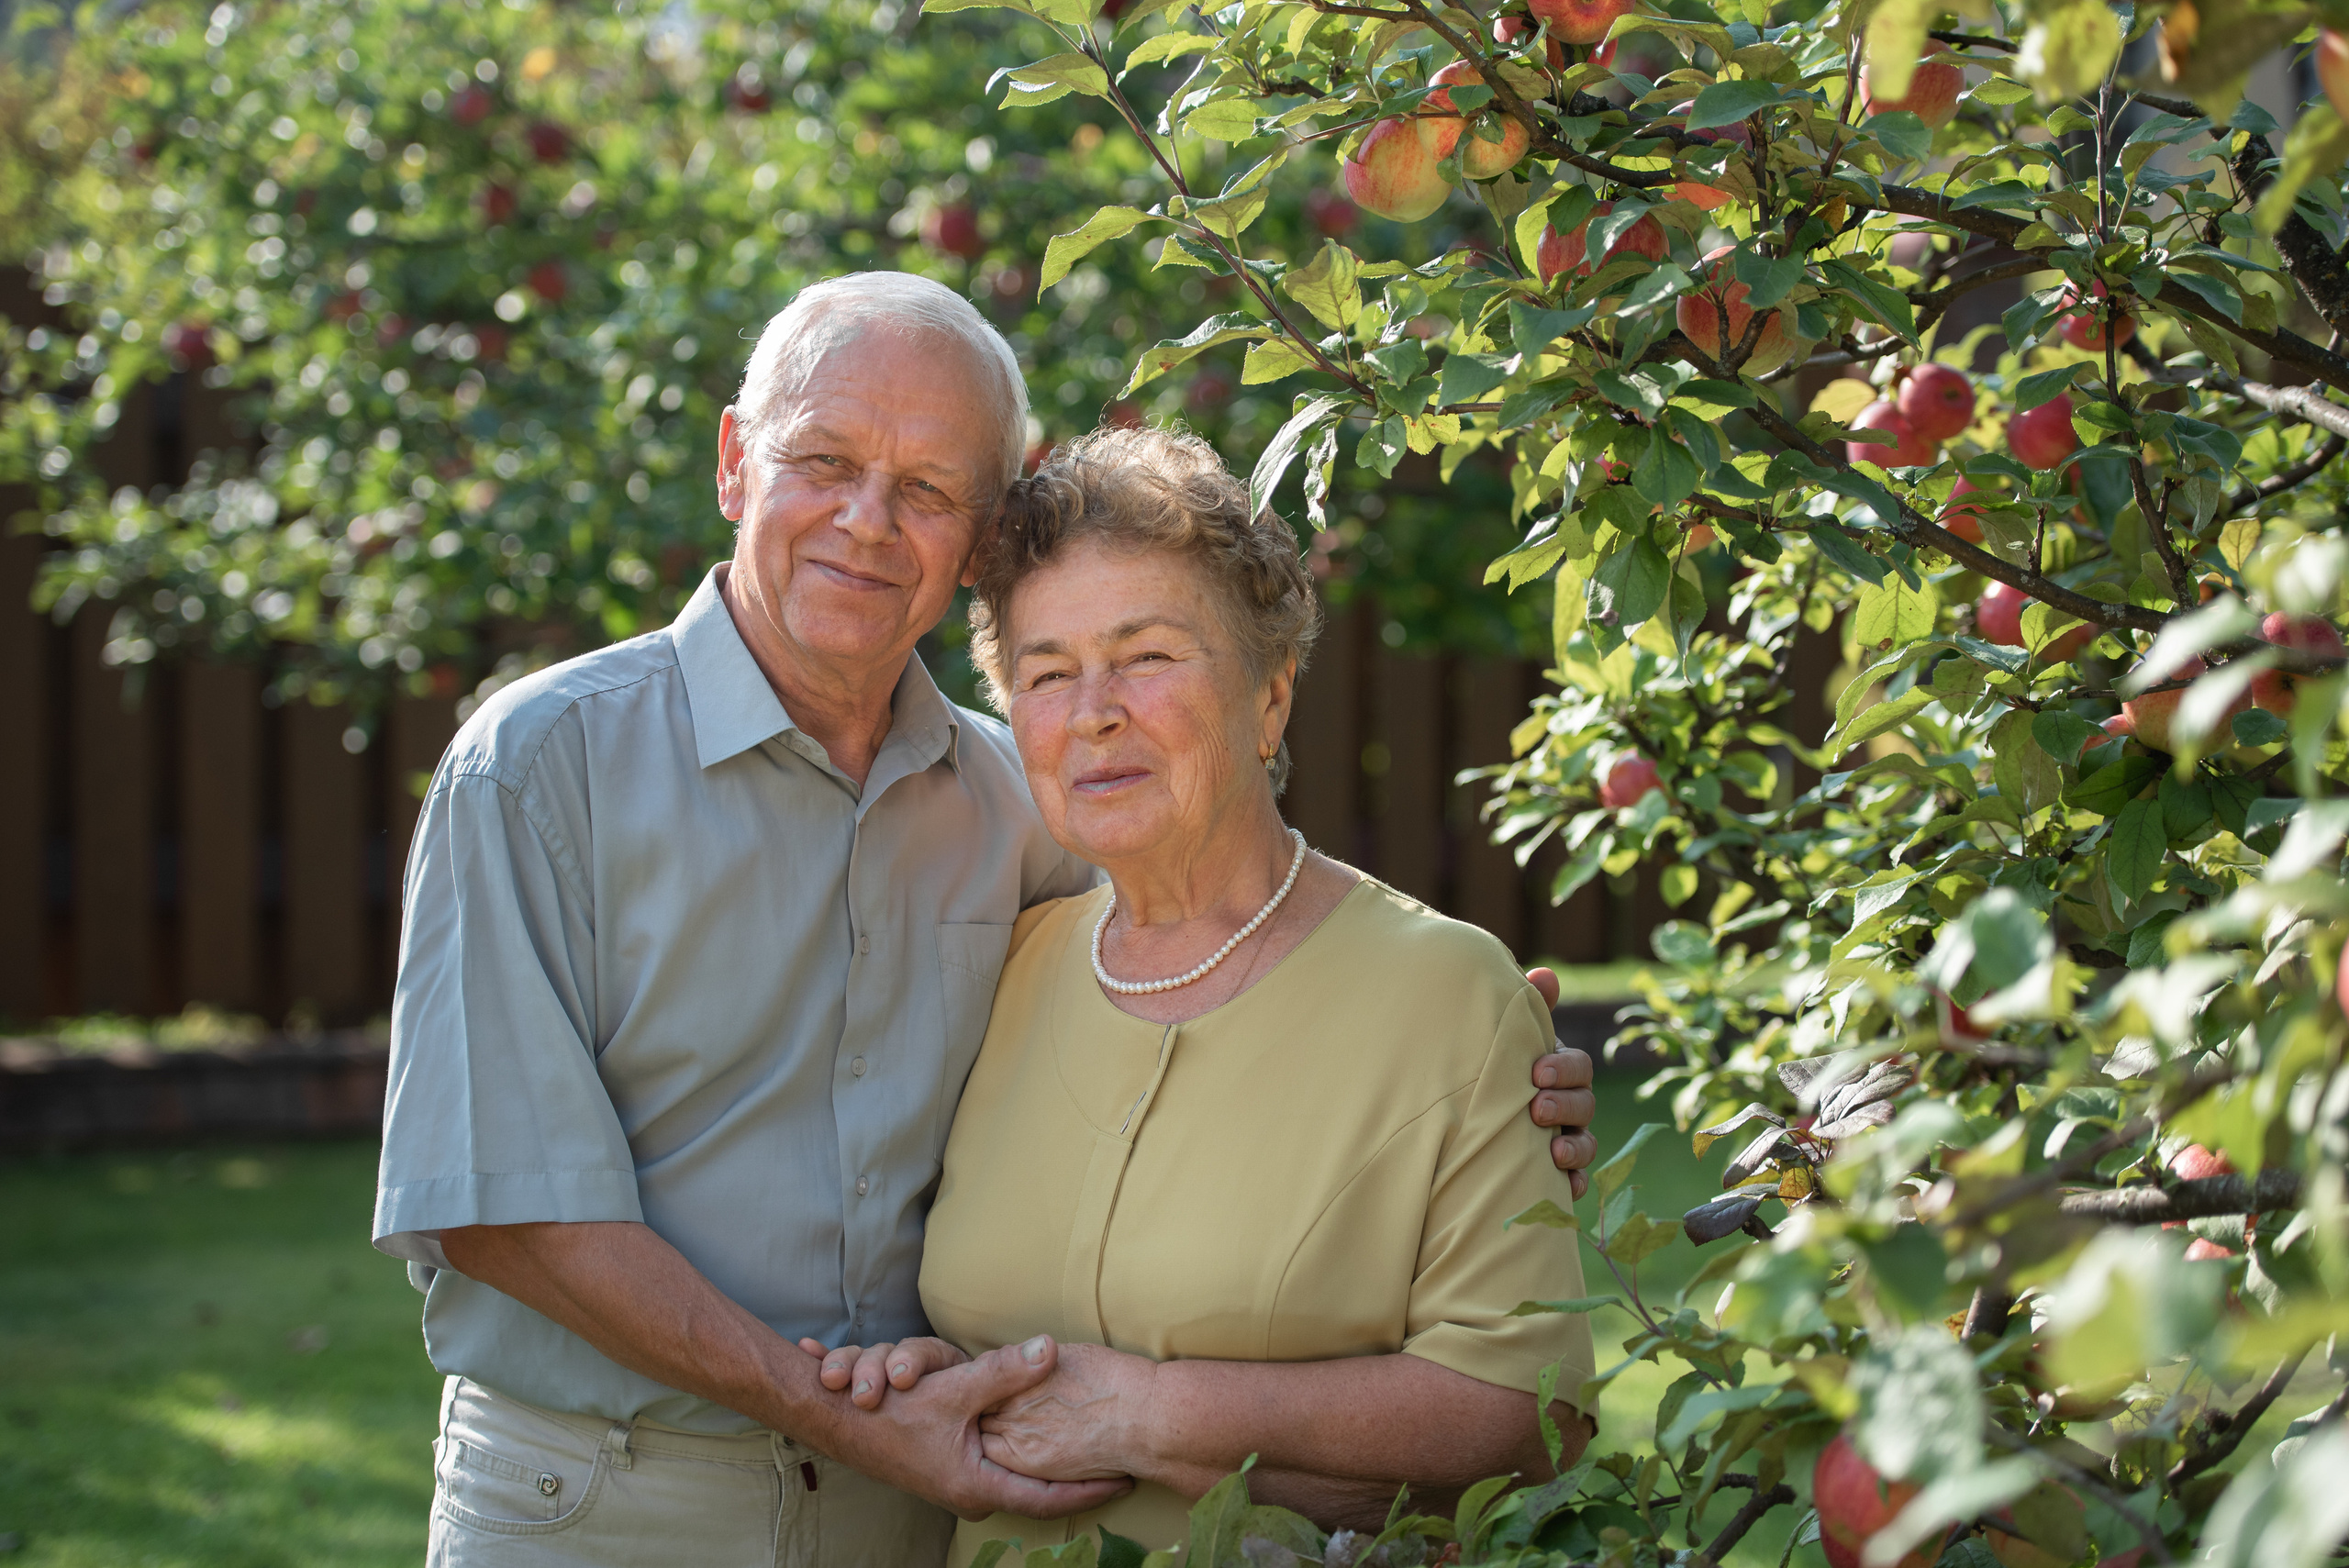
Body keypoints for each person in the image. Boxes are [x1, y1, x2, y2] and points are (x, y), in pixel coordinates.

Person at [373, 272, 1601, 1568]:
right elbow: (499, 1208)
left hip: (928, 1514)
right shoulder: (539, 765)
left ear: (976, 532)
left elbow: (1220, 942)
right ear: (737, 463)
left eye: (927, 490)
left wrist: (1474, 1088)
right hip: (612, 1499)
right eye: (825, 461)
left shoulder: (1020, 805)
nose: (865, 521)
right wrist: (838, 1419)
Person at [810, 426, 1598, 1563]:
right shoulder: (1009, 966)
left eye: (1146, 655)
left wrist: (1153, 1412)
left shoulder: (1447, 994)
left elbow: (1535, 1417)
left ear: (1270, 695)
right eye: (1044, 672)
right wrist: (956, 1378)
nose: (1093, 710)